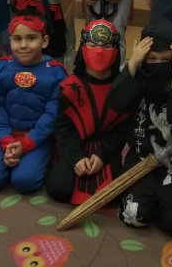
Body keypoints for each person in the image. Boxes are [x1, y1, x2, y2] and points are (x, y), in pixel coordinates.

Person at [108, 18, 172, 237]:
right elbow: (116, 102)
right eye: (152, 59)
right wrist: (134, 62)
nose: (158, 64)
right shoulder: (138, 76)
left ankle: (170, 198)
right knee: (134, 216)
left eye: (165, 60)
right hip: (141, 158)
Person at [0, 11, 68, 194]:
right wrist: (6, 141)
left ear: (44, 41)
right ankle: (8, 157)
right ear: (10, 41)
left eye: (31, 38)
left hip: (37, 138)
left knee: (24, 182)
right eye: (17, 39)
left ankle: (29, 161)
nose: (24, 45)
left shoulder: (56, 73)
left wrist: (27, 144)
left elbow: (53, 114)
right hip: (5, 134)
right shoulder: (1, 68)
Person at [45, 19, 134, 205]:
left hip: (108, 147)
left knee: (116, 191)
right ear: (83, 47)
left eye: (107, 45)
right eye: (93, 45)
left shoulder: (122, 89)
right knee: (59, 188)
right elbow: (63, 129)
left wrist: (102, 155)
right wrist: (76, 158)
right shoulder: (69, 87)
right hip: (76, 145)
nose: (99, 51)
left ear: (116, 49)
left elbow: (123, 129)